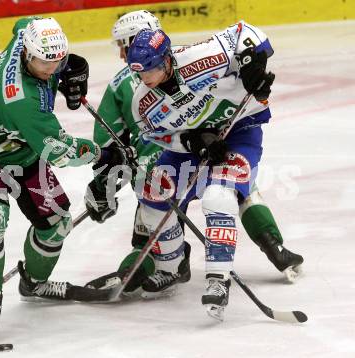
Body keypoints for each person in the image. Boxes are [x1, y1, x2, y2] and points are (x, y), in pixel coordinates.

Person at [84, 11, 303, 298]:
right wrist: (191, 141)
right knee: (160, 198)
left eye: (124, 45)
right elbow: (130, 142)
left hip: (222, 137)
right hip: (176, 155)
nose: (140, 72)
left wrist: (252, 62)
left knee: (222, 192)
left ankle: (226, 266)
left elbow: (245, 36)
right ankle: (171, 265)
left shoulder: (194, 59)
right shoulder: (139, 94)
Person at [0, 16, 127, 337]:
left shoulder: (25, 40)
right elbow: (60, 151)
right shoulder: (20, 99)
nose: (52, 69)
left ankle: (34, 283)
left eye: (58, 60)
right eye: (46, 63)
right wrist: (102, 152)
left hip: (22, 151)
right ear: (28, 55)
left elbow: (25, 22)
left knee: (57, 224)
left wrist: (72, 67)